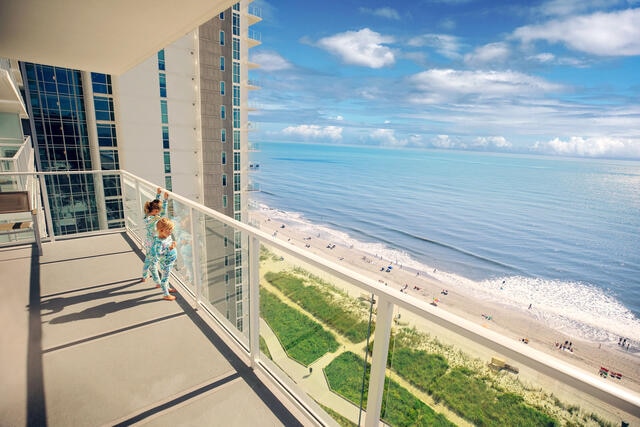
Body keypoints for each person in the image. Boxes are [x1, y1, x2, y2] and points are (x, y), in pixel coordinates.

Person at [141, 188, 168, 282]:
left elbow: (156, 205)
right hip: (153, 243)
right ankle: (157, 282)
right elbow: (163, 213)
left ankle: (144, 276)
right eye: (158, 211)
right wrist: (165, 200)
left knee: (148, 259)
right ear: (156, 211)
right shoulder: (154, 219)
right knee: (154, 262)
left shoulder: (147, 215)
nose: (160, 212)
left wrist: (158, 195)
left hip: (149, 241)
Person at [149, 217, 178, 301]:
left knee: (167, 276)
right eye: (168, 230)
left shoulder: (167, 237)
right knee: (165, 278)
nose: (170, 232)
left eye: (171, 230)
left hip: (170, 261)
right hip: (166, 262)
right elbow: (159, 253)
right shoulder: (159, 242)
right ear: (161, 230)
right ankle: (166, 294)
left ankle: (167, 288)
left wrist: (172, 244)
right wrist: (169, 248)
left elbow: (168, 243)